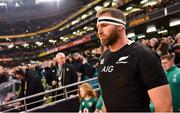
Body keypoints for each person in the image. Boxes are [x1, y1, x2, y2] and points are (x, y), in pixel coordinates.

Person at [96, 8, 172, 112]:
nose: (99, 31)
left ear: (120, 26)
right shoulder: (104, 57)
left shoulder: (143, 54)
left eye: (104, 25)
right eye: (98, 27)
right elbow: (107, 98)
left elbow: (164, 105)